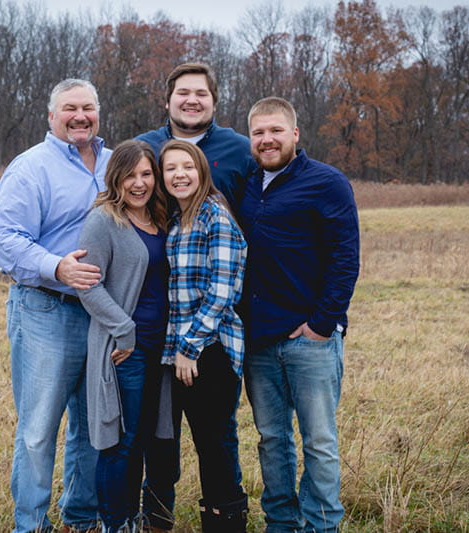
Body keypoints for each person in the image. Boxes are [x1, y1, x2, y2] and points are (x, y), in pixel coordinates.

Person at [0, 78, 111, 533]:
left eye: (88, 107)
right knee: (39, 428)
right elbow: (3, 239)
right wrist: (57, 267)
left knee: (92, 426)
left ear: (99, 111)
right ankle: (31, 524)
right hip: (46, 309)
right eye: (69, 108)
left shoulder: (115, 163)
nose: (80, 116)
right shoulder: (31, 167)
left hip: (102, 314)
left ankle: (81, 518)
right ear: (51, 116)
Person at [238, 97, 360, 533]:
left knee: (319, 441)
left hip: (309, 338)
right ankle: (281, 522)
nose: (266, 140)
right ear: (250, 139)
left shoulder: (327, 182)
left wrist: (322, 325)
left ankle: (322, 524)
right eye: (258, 133)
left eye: (275, 131)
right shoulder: (247, 184)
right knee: (272, 440)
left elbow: (345, 259)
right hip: (258, 339)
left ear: (294, 134)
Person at [144, 139, 249, 532]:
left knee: (214, 447)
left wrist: (190, 348)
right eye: (170, 169)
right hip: (176, 355)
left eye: (186, 166)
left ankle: (226, 525)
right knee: (164, 445)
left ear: (202, 169)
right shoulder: (175, 219)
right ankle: (154, 519)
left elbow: (221, 293)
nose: (179, 175)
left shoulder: (213, 217)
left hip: (211, 351)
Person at [75, 140, 169, 533]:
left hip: (161, 348)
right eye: (130, 175)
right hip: (125, 350)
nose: (139, 183)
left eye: (146, 174)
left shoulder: (161, 217)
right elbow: (87, 285)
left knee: (148, 439)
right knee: (120, 443)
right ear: (116, 178)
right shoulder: (104, 220)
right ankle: (115, 523)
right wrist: (125, 330)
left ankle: (135, 517)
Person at [136, 62, 256, 208]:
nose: (192, 101)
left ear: (215, 104)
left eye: (201, 94)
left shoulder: (242, 150)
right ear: (167, 101)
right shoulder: (141, 148)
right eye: (183, 93)